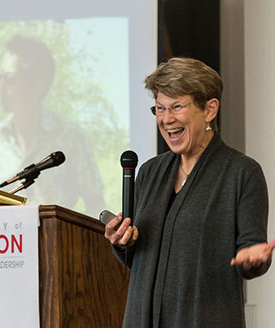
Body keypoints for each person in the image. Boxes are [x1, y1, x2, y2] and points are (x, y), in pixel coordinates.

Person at [104, 57, 275, 328]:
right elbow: (137, 259)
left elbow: (251, 253)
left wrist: (253, 259)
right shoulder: (149, 172)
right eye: (160, 108)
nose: (166, 119)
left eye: (177, 107)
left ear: (210, 109)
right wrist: (121, 242)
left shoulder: (242, 173)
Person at [0, 36, 105, 216]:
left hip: (58, 241)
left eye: (10, 79)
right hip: (7, 242)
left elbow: (96, 204)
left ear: (39, 84)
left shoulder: (71, 136)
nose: (0, 88)